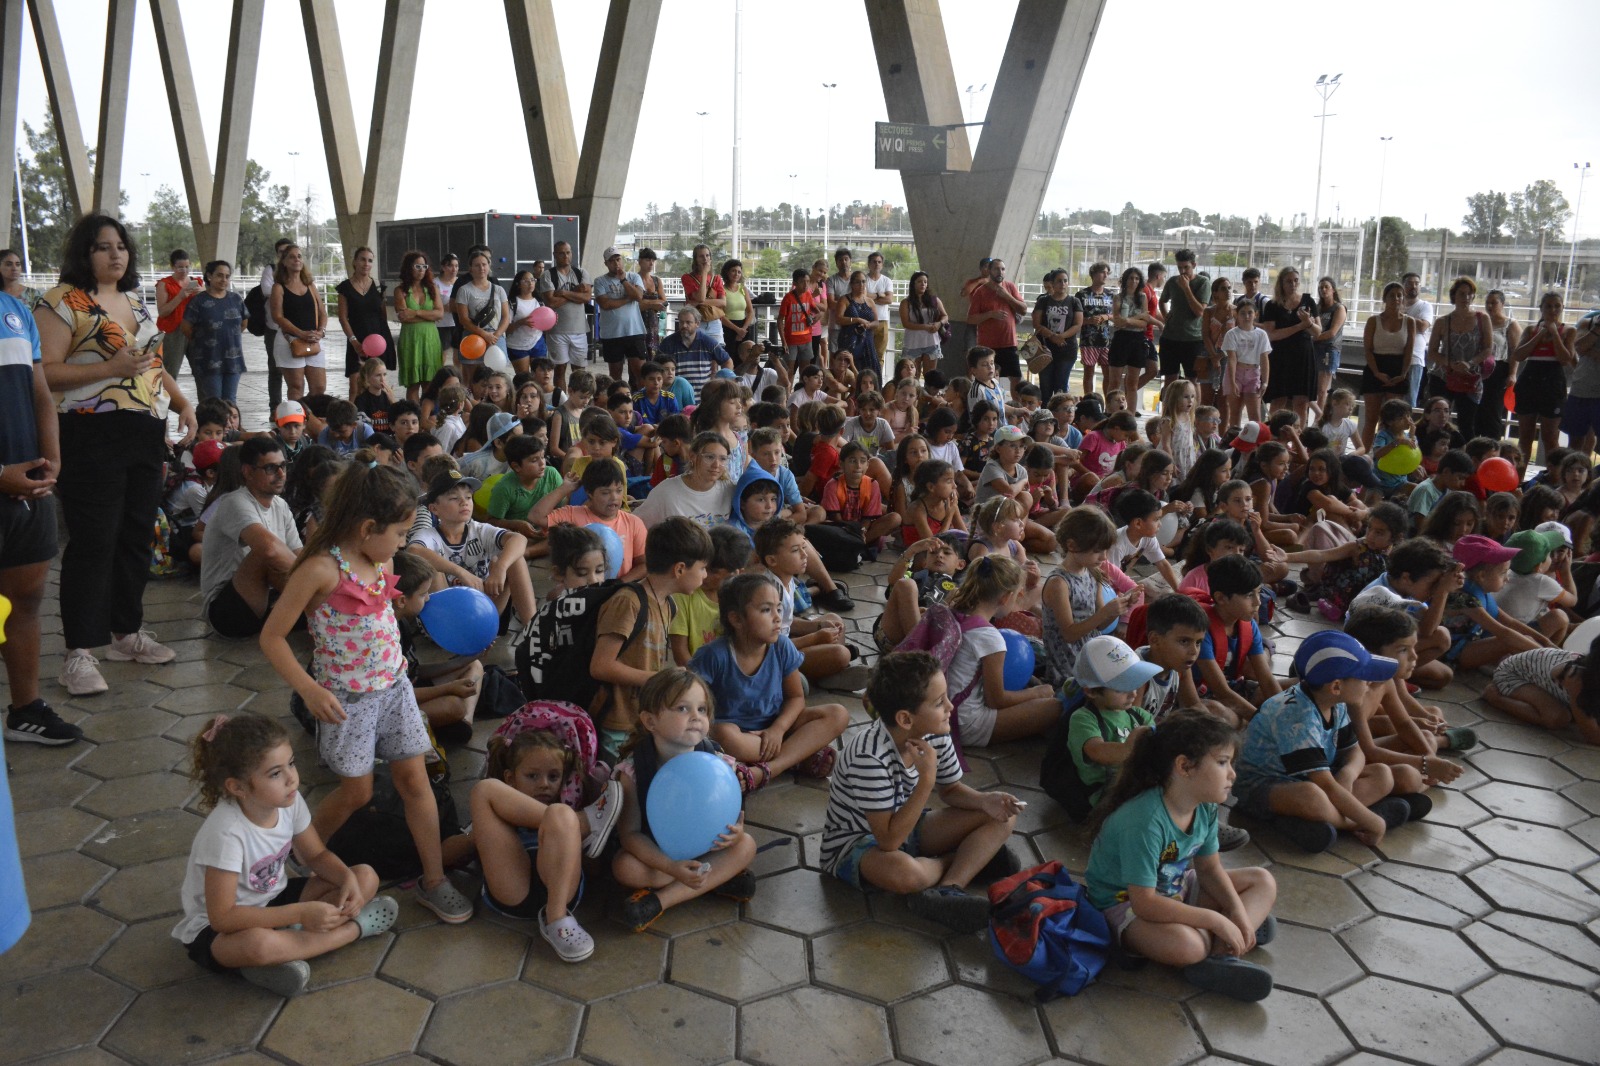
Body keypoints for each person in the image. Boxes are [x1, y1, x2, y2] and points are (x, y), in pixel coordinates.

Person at [260, 462, 474, 924]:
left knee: (415, 782)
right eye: (399, 532)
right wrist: (310, 689)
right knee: (356, 793)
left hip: (394, 690)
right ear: (366, 527)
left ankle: (433, 879)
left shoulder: (383, 559)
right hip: (348, 703)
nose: (403, 542)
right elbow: (272, 637)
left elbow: (377, 618)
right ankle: (298, 853)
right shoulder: (320, 569)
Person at [36, 213, 196, 697]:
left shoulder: (133, 302)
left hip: (144, 431)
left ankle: (125, 633)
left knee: (135, 535)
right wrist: (109, 367)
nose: (115, 254)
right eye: (103, 247)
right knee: (93, 540)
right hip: (89, 433)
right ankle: (79, 652)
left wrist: (185, 403)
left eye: (121, 246)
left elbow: (149, 363)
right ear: (84, 253)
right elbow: (45, 373)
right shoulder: (62, 302)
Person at [173, 713, 396, 998]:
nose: (292, 778)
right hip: (220, 931)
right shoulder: (225, 833)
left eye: (290, 763)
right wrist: (301, 912)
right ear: (237, 787)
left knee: (365, 876)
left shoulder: (288, 801)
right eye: (275, 773)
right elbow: (223, 918)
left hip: (273, 902)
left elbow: (315, 854)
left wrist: (346, 878)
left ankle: (283, 950)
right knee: (259, 945)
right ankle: (353, 931)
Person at [819, 651, 1023, 933]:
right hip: (858, 844)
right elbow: (888, 841)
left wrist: (984, 801)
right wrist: (927, 780)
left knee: (1002, 815)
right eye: (940, 703)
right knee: (907, 874)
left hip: (908, 823)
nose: (950, 707)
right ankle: (960, 860)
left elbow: (950, 790)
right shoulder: (869, 757)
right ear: (905, 719)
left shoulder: (935, 729)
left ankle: (950, 888)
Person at [1085, 709, 1278, 1002]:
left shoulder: (1205, 806)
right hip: (1125, 905)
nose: (1232, 774)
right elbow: (1146, 904)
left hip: (1174, 888)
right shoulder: (1144, 821)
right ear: (1185, 767)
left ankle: (1223, 950)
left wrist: (1235, 910)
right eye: (1223, 763)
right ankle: (1219, 946)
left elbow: (1210, 870)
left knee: (1262, 880)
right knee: (1189, 946)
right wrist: (1215, 920)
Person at [1235, 630, 1426, 854]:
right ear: (1336, 686)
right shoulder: (1298, 718)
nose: (1369, 683)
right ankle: (1357, 821)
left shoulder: (1336, 703)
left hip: (1315, 776)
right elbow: (1325, 785)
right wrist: (1374, 822)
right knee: (1312, 796)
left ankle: (1325, 822)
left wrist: (1348, 774)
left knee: (1382, 774)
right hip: (1263, 787)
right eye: (1364, 677)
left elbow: (1356, 752)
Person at [611, 667, 758, 932]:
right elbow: (630, 835)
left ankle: (660, 900)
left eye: (702, 709)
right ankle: (712, 879)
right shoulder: (633, 771)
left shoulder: (719, 762)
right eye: (682, 709)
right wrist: (671, 866)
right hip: (658, 857)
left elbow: (733, 815)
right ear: (650, 721)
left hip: (708, 848)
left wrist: (736, 834)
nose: (695, 717)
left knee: (746, 845)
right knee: (624, 867)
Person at [468, 716, 623, 961]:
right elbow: (455, 851)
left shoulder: (562, 809)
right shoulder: (498, 815)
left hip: (561, 894)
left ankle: (556, 919)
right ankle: (584, 822)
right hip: (512, 892)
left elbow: (592, 868)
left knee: (559, 814)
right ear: (511, 778)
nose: (544, 785)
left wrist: (569, 834)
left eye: (553, 777)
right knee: (484, 789)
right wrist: (476, 837)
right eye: (532, 776)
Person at [0, 282, 77, 744]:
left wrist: (53, 461)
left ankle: (24, 708)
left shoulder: (14, 310)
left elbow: (40, 392)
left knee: (25, 599)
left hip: (27, 484)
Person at [690, 572, 850, 785]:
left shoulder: (781, 646)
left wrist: (778, 729)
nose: (777, 617)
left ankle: (763, 770)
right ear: (736, 619)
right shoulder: (713, 655)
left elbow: (796, 698)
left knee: (837, 714)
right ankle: (795, 756)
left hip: (776, 727)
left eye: (779, 608)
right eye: (766, 610)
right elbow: (692, 705)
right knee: (722, 734)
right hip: (740, 736)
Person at [588, 517, 714, 760]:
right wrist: (657, 679)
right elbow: (601, 666)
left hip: (643, 718)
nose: (705, 575)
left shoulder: (668, 605)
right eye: (702, 568)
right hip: (618, 721)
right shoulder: (628, 602)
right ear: (679, 569)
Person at [199, 438, 301, 638]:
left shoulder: (281, 505)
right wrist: (309, 582)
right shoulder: (234, 502)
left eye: (283, 466)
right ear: (248, 472)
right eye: (271, 468)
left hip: (267, 598)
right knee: (267, 553)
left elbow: (299, 553)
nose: (281, 474)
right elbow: (269, 550)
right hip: (227, 613)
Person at [1484, 642, 1600, 747]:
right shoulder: (1578, 681)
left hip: (1541, 676)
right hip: (1513, 675)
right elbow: (1592, 736)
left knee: (1582, 713)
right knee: (1558, 718)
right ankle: (1496, 699)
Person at [1509, 292, 1577, 465]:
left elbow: (1565, 359)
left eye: (1557, 306)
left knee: (1550, 438)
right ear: (1541, 309)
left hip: (1553, 383)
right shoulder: (1531, 330)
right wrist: (1540, 334)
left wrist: (1554, 333)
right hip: (1530, 381)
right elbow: (1518, 355)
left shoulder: (1568, 330)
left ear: (1562, 308)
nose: (1553, 310)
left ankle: (1553, 480)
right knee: (1525, 437)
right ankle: (1518, 481)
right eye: (1548, 306)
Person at [180, 259, 247, 403]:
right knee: (213, 402)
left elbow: (243, 323)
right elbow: (186, 328)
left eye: (227, 276)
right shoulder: (198, 301)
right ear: (209, 276)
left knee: (230, 401)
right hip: (208, 360)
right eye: (219, 275)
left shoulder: (236, 299)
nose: (224, 280)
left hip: (233, 361)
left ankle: (230, 426)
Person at [270, 243, 328, 400]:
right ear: (284, 262)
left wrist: (320, 332)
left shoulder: (310, 285)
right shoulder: (279, 287)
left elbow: (322, 312)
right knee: (296, 387)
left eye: (299, 256)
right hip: (290, 341)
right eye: (292, 256)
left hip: (312, 342)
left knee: (319, 387)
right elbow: (278, 317)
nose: (296, 259)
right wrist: (300, 333)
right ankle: (296, 422)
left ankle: (311, 418)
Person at [1258, 268, 1317, 422]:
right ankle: (1273, 437)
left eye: (1296, 280)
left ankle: (1300, 439)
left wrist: (1308, 323)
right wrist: (1300, 326)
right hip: (1281, 355)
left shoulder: (1308, 301)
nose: (1293, 284)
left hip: (1303, 355)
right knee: (1278, 399)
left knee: (1301, 401)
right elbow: (1271, 335)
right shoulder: (1272, 305)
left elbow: (1317, 332)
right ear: (1281, 283)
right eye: (1289, 281)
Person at [335, 246, 395, 397]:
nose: (366, 263)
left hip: (378, 341)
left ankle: (378, 416)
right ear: (354, 262)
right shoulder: (345, 288)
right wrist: (354, 341)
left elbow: (382, 316)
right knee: (355, 386)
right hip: (357, 340)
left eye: (370, 260)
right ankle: (352, 419)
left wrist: (383, 342)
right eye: (362, 259)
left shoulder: (379, 287)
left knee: (377, 384)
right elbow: (343, 318)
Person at [965, 257, 1028, 395]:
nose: (1000, 272)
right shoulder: (980, 292)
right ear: (989, 271)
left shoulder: (1010, 287)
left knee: (1016, 377)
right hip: (988, 345)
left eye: (1003, 269)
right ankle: (989, 403)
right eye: (996, 269)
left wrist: (1007, 296)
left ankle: (1015, 406)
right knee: (989, 377)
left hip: (1009, 342)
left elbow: (1023, 309)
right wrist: (990, 314)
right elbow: (971, 319)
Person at [453, 249, 509, 391]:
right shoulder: (464, 290)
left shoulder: (498, 290)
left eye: (484, 264)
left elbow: (506, 317)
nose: (481, 268)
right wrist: (484, 335)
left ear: (489, 266)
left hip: (496, 336)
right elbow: (464, 319)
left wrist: (495, 336)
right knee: (473, 379)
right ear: (470, 268)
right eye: (477, 265)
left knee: (497, 378)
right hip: (473, 336)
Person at [1158, 249, 1210, 395]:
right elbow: (1162, 301)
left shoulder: (1203, 282)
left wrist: (1186, 288)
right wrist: (1165, 315)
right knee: (1169, 379)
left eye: (1186, 267)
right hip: (1170, 338)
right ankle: (1167, 415)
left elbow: (1200, 312)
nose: (1182, 271)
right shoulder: (1172, 281)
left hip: (1193, 339)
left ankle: (1194, 416)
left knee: (1193, 380)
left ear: (1194, 265)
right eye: (1179, 267)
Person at [395, 250, 443, 402]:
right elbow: (404, 317)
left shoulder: (432, 288)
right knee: (413, 384)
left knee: (430, 383)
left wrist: (415, 312)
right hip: (410, 340)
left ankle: (427, 417)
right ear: (409, 268)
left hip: (430, 339)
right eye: (417, 266)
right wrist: (429, 316)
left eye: (424, 266)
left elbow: (440, 313)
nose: (422, 270)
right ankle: (414, 416)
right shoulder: (400, 290)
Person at [595, 247, 647, 385]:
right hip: (612, 334)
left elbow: (638, 296)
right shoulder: (600, 281)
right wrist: (628, 299)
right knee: (615, 374)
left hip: (634, 331)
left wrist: (623, 280)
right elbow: (605, 304)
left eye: (618, 259)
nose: (616, 263)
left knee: (640, 372)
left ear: (622, 260)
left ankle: (641, 402)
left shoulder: (633, 277)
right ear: (606, 263)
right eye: (611, 261)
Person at [657, 307, 732, 400]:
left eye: (688, 322)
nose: (684, 325)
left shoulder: (708, 342)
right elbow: (656, 367)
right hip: (675, 400)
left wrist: (720, 383)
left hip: (703, 400)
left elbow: (727, 361)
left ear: (697, 324)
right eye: (681, 322)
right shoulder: (668, 343)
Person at [1476, 289, 1521, 441]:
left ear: (1502, 304)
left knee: (1493, 410)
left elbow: (1515, 351)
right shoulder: (1480, 322)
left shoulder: (1510, 324)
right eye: (1487, 302)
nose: (1490, 306)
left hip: (1499, 370)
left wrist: (1512, 373)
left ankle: (1492, 446)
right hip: (1479, 370)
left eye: (1494, 302)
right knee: (1476, 409)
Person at [1032, 268, 1083, 399]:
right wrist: (1052, 336)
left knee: (1061, 386)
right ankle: (1045, 416)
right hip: (1045, 349)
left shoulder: (1074, 301)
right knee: (1045, 386)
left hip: (1067, 349)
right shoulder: (1043, 301)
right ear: (1053, 283)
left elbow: (1078, 324)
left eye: (1065, 281)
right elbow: (1037, 324)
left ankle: (1060, 417)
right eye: (1059, 281)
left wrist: (1061, 336)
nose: (1062, 284)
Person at [155, 249, 203, 383]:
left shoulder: (197, 282)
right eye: (180, 267)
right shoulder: (165, 284)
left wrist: (202, 293)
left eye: (187, 267)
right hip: (173, 331)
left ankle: (205, 402)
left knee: (201, 369)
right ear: (173, 267)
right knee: (171, 370)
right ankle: (168, 401)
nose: (184, 270)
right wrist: (180, 296)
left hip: (193, 329)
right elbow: (162, 312)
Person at [259, 237, 292, 410]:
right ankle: (275, 407)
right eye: (281, 252)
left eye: (288, 251)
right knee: (275, 369)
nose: (285, 256)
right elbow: (266, 290)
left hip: (295, 329)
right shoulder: (270, 270)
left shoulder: (298, 272)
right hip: (274, 328)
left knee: (296, 371)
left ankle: (295, 406)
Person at [833, 270, 880, 382]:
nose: (861, 285)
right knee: (847, 372)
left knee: (871, 369)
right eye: (858, 282)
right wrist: (857, 320)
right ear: (852, 284)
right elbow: (838, 319)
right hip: (849, 340)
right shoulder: (844, 299)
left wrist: (868, 325)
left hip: (867, 340)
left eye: (864, 282)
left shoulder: (869, 301)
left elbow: (877, 322)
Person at [900, 270, 948, 376]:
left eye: (925, 282)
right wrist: (925, 326)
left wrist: (939, 324)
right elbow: (906, 323)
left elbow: (945, 316)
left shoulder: (934, 300)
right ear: (913, 284)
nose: (923, 284)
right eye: (919, 281)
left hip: (931, 342)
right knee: (913, 377)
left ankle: (927, 393)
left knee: (930, 377)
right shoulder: (906, 303)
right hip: (913, 343)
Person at [1311, 276, 1347, 415]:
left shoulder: (1339, 308)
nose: (1323, 290)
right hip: (1314, 349)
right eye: (1320, 287)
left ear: (1333, 289)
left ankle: (1319, 420)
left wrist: (1313, 338)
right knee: (1310, 389)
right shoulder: (1317, 308)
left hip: (1328, 349)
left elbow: (1332, 332)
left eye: (1326, 287)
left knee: (1322, 390)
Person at [1400, 271, 1435, 409]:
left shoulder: (1424, 306)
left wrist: (1401, 316)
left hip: (1415, 358)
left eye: (1416, 284)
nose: (1413, 286)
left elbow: (1422, 326)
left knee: (1409, 399)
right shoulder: (1397, 304)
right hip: (1395, 356)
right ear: (1403, 286)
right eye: (1409, 283)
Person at [863, 251, 895, 366]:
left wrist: (870, 297)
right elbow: (861, 297)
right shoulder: (864, 280)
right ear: (869, 264)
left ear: (882, 264)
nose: (877, 264)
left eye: (879, 262)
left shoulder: (887, 281)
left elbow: (889, 300)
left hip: (882, 321)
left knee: (879, 355)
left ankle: (877, 380)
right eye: (874, 262)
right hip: (866, 321)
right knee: (865, 354)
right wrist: (878, 295)